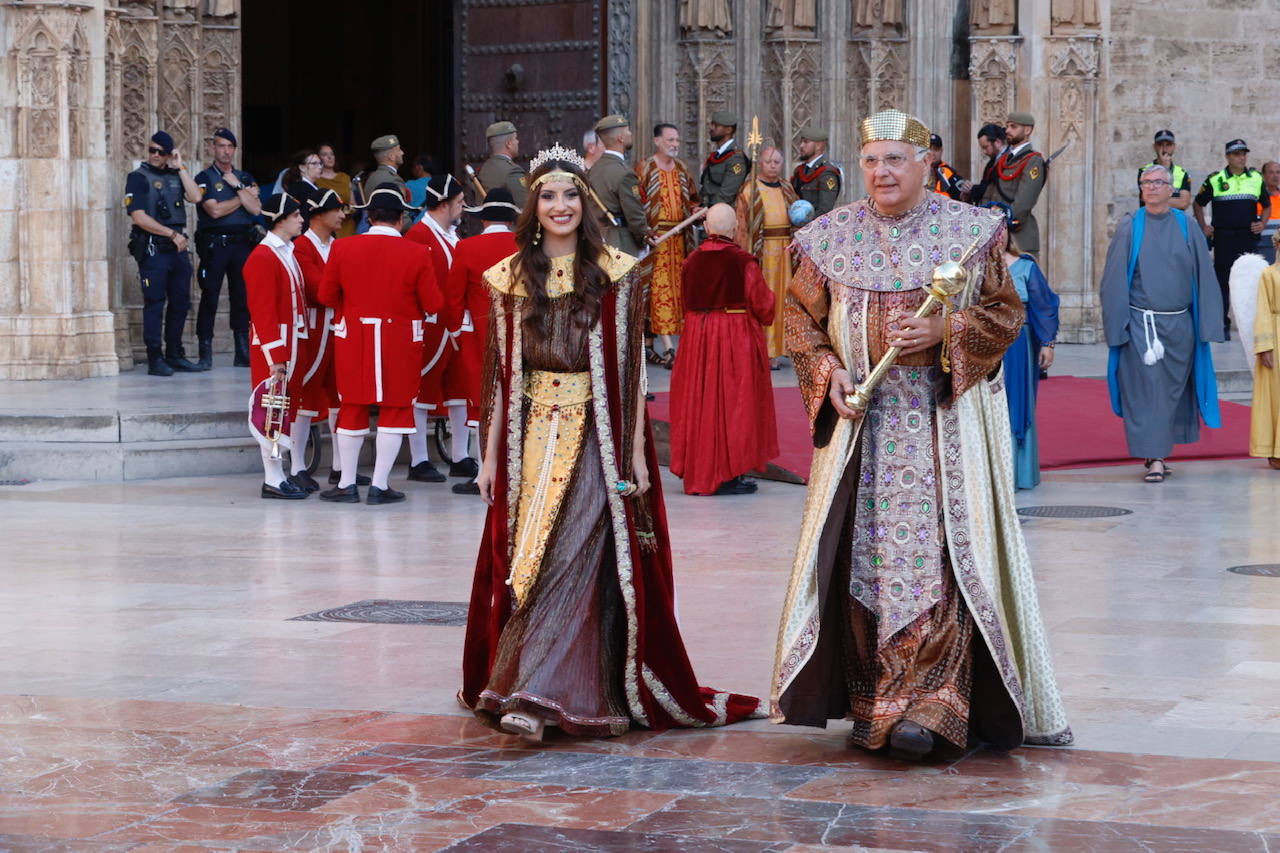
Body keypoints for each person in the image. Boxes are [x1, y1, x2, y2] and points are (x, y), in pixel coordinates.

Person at [773, 108, 1073, 762]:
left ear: (926, 165)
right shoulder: (830, 237)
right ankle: (875, 700)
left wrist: (947, 334)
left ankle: (935, 706)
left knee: (938, 561)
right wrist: (829, 373)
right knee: (865, 560)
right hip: (865, 431)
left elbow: (1004, 312)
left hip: (941, 424)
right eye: (873, 160)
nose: (882, 172)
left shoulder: (969, 233)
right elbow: (798, 321)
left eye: (895, 160)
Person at [459, 146, 760, 741]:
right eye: (548, 196)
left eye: (570, 195)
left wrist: (639, 459)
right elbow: (500, 377)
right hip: (530, 441)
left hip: (596, 437)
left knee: (575, 552)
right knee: (531, 562)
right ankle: (532, 678)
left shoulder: (618, 273)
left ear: (586, 203)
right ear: (532, 206)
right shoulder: (508, 277)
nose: (560, 205)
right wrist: (490, 456)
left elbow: (628, 378)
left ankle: (542, 692)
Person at [317, 187, 443, 505]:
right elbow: (433, 303)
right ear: (400, 219)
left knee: (352, 407)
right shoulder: (417, 252)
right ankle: (379, 485)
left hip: (354, 338)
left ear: (369, 217)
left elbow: (326, 296)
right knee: (396, 408)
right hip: (399, 341)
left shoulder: (343, 248)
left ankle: (346, 483)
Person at [1101, 164, 1224, 483]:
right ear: (1141, 189)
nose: (1153, 187)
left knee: (1172, 394)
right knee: (1148, 391)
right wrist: (1118, 327)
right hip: (1144, 326)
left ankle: (1157, 451)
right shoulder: (1130, 227)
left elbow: (1203, 275)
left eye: (1159, 182)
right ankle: (1155, 458)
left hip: (1180, 326)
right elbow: (1113, 280)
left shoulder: (1187, 226)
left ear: (1171, 189)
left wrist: (1208, 325)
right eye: (1146, 182)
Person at [670, 204, 778, 495]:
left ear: (706, 228)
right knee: (734, 403)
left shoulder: (690, 261)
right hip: (733, 336)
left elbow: (684, 301)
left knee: (701, 403)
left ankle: (702, 470)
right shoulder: (743, 261)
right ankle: (728, 474)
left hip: (696, 338)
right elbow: (763, 305)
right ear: (734, 228)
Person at [446, 188, 520, 495]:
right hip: (519, 331)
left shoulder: (466, 247)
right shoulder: (525, 245)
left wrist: (454, 331)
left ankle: (484, 470)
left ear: (484, 218)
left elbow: (454, 298)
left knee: (482, 401)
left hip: (479, 333)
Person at [290, 188, 363, 492]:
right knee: (305, 396)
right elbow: (318, 290)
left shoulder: (338, 246)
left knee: (340, 396)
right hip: (314, 330)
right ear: (318, 213)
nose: (343, 215)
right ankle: (296, 466)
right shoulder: (302, 247)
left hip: (338, 329)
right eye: (337, 209)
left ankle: (340, 467)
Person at [986, 201, 1059, 489]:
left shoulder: (1026, 266)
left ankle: (1018, 472)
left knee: (1017, 403)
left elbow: (1045, 306)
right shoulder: (975, 269)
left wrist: (1047, 343)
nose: (997, 235)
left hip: (1019, 346)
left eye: (1001, 229)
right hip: (985, 345)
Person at [405, 174, 471, 484]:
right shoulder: (418, 235)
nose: (463, 207)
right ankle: (418, 460)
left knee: (459, 391)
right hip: (430, 326)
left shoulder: (454, 235)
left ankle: (460, 456)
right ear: (443, 205)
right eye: (459, 202)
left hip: (455, 326)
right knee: (421, 392)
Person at [243, 192, 309, 500]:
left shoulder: (285, 251)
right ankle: (272, 476)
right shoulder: (263, 256)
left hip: (290, 342)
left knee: (282, 410)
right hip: (275, 346)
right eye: (296, 216)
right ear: (281, 219)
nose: (301, 220)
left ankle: (280, 473)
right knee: (272, 409)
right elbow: (263, 311)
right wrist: (276, 356)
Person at [123, 130, 204, 376]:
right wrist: (170, 234)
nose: (155, 155)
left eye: (161, 152)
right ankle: (155, 358)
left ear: (169, 154)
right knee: (155, 304)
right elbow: (138, 217)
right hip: (154, 248)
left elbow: (195, 196)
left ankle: (175, 354)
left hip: (177, 249)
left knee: (180, 302)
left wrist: (180, 168)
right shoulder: (137, 177)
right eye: (152, 150)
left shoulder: (174, 175)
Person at [194, 127, 262, 369]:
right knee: (209, 296)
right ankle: (205, 351)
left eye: (229, 146)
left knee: (242, 297)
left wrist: (237, 187)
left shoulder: (243, 177)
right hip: (216, 245)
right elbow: (214, 210)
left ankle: (242, 351)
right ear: (213, 148)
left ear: (234, 149)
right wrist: (242, 196)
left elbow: (255, 210)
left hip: (242, 244)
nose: (225, 151)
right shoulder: (204, 178)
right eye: (221, 146)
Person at [637, 122, 699, 365]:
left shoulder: (682, 169)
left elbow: (693, 198)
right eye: (670, 140)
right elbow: (636, 203)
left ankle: (671, 344)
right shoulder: (644, 168)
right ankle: (669, 348)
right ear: (657, 141)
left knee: (678, 291)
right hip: (656, 242)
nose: (674, 145)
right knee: (658, 291)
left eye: (677, 141)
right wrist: (644, 232)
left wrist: (696, 210)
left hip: (680, 240)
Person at [1194, 139, 1270, 338]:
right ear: (1228, 157)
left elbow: (1267, 205)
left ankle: (1256, 327)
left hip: (1248, 237)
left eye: (1244, 153)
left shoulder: (1256, 178)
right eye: (1237, 154)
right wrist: (1204, 226)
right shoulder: (1215, 179)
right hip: (1224, 238)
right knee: (1222, 283)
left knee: (1253, 281)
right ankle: (1222, 326)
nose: (1242, 157)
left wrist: (1262, 222)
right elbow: (1198, 203)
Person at [734, 145, 797, 365]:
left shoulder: (787, 188)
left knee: (785, 299)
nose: (773, 166)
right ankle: (764, 349)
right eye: (769, 161)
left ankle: (784, 347)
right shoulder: (750, 190)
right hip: (763, 252)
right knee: (764, 298)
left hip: (785, 252)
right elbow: (742, 225)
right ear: (760, 163)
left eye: (777, 162)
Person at [983, 112, 1046, 258]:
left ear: (1027, 130)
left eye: (1013, 127)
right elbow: (990, 191)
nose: (1007, 131)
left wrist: (1004, 223)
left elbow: (1024, 202)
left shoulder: (1033, 161)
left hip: (1018, 238)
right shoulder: (1004, 159)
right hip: (995, 235)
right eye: (1007, 126)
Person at [587, 115, 650, 256]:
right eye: (628, 131)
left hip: (597, 240)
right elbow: (635, 216)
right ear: (620, 138)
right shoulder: (625, 173)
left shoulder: (593, 169)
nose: (631, 134)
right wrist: (643, 238)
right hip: (621, 244)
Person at [1247, 232, 1280, 467]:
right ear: (1277, 244)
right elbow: (1263, 311)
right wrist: (1265, 346)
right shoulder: (1268, 275)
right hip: (1277, 338)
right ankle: (1275, 450)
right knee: (1276, 396)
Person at [700, 111, 750, 207]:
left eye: (716, 126)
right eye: (712, 125)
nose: (711, 128)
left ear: (728, 130)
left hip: (723, 214)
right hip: (707, 211)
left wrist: (706, 210)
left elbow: (727, 194)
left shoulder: (736, 159)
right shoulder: (717, 155)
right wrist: (699, 207)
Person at [791, 127, 841, 216]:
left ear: (818, 146)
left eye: (806, 142)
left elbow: (825, 210)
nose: (801, 146)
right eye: (801, 142)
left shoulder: (827, 174)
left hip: (814, 227)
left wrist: (805, 224)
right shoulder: (799, 171)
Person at [478, 121, 528, 207]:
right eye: (515, 138)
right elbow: (524, 206)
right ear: (508, 143)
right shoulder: (512, 171)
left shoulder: (484, 168)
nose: (518, 142)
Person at [1137, 130, 1191, 211]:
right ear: (1154, 147)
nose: (1164, 149)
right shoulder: (1144, 171)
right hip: (1150, 220)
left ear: (1174, 147)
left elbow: (1184, 203)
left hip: (1175, 221)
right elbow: (1147, 199)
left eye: (1168, 145)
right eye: (1160, 145)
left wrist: (1157, 199)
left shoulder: (1182, 173)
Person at [315, 142, 356, 238]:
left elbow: (353, 205)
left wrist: (347, 210)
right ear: (318, 158)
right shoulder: (316, 179)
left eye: (332, 154)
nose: (330, 157)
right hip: (326, 228)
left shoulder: (345, 177)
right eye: (325, 154)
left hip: (346, 226)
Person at [963, 123, 1006, 203]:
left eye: (986, 147)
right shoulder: (991, 162)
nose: (984, 152)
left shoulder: (1009, 160)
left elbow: (995, 189)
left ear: (998, 142)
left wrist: (972, 189)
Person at [363, 134, 408, 200]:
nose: (402, 152)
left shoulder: (371, 178)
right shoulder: (394, 180)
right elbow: (399, 208)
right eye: (399, 150)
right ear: (392, 156)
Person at [926, 134, 965, 200]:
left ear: (941, 150)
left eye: (936, 149)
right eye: (929, 149)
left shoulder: (947, 172)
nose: (932, 153)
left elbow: (962, 196)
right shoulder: (918, 170)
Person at [1256, 162, 1280, 264]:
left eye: (1278, 172)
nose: (1275, 176)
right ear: (1263, 175)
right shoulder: (1257, 197)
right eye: (1271, 173)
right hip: (1263, 248)